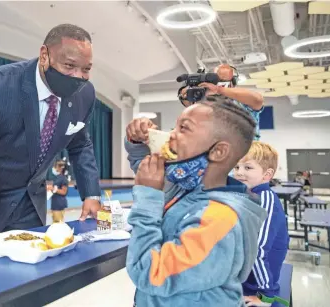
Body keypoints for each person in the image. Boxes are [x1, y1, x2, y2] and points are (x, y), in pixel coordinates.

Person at [0, 24, 101, 240]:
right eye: (69, 66)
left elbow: (80, 145)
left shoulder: (85, 95)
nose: (78, 77)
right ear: (45, 55)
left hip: (31, 200)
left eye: (86, 69)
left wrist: (91, 194)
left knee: (30, 267)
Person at [124, 96, 267, 307]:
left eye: (183, 128)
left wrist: (147, 199)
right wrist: (138, 143)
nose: (170, 135)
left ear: (218, 152)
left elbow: (151, 273)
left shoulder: (218, 220)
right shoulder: (187, 188)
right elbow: (148, 169)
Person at [234, 141, 289, 306]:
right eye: (237, 167)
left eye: (248, 168)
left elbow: (257, 251)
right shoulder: (249, 195)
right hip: (245, 276)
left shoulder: (265, 199)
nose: (239, 173)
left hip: (257, 285)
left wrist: (266, 296)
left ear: (267, 175)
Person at [179, 64, 264, 140]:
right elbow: (187, 101)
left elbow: (258, 100)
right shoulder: (204, 103)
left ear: (231, 84)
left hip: (246, 154)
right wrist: (186, 91)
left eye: (222, 82)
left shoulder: (241, 105)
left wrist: (219, 90)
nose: (217, 84)